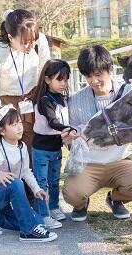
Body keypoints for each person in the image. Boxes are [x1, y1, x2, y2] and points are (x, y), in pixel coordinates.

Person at [61, 45, 132, 222]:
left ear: (110, 70)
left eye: (98, 74)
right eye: (88, 76)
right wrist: (70, 138)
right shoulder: (76, 100)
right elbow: (70, 137)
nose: (93, 81)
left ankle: (115, 199)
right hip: (89, 163)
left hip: (119, 161)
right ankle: (81, 204)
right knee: (71, 194)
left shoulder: (128, 94)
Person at [0, 9, 50, 203]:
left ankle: (37, 199)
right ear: (10, 37)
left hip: (32, 98)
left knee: (34, 150)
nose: (30, 45)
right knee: (11, 153)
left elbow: (46, 69)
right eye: (24, 41)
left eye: (33, 39)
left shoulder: (38, 40)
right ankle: (13, 200)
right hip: (7, 103)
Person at [0, 105, 57, 242]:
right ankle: (27, 233)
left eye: (20, 123)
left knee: (39, 222)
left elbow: (25, 172)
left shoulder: (22, 147)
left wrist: (37, 189)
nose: (19, 127)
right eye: (13, 124)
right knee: (15, 183)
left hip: (5, 203)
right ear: (2, 131)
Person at [32, 59, 77, 227]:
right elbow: (52, 122)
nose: (63, 83)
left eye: (65, 79)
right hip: (41, 149)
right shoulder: (44, 100)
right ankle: (43, 215)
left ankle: (53, 207)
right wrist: (68, 128)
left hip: (55, 149)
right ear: (47, 80)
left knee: (54, 180)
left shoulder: (61, 98)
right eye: (59, 79)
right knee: (42, 182)